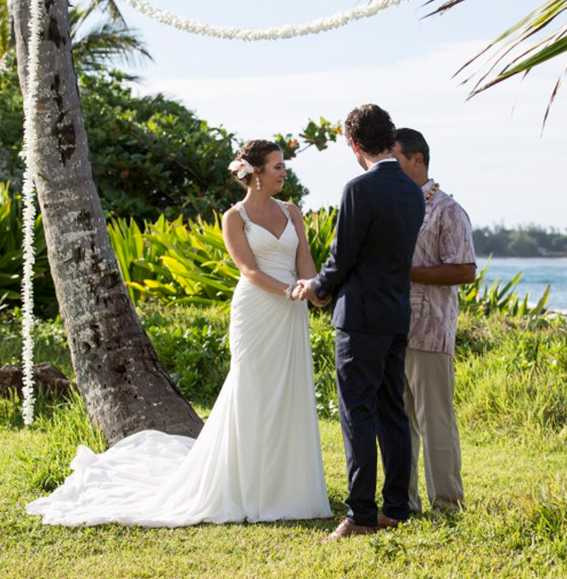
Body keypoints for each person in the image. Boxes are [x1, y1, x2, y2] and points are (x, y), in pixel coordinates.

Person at [26, 140, 332, 527]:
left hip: (291, 312)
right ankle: (247, 486)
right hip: (258, 309)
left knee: (289, 389)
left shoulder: (292, 212)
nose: (283, 172)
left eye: (282, 165)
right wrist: (289, 290)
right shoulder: (235, 218)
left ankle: (288, 488)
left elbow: (303, 257)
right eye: (276, 166)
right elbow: (250, 271)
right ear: (254, 173)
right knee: (253, 388)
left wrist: (313, 289)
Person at [295, 105, 425, 542]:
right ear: (389, 139)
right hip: (396, 314)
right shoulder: (412, 191)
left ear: (354, 145)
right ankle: (396, 509)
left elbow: (342, 257)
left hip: (360, 318)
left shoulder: (358, 188)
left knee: (357, 415)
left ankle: (361, 514)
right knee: (393, 412)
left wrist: (316, 287)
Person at [392, 128, 476, 512]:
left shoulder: (447, 210)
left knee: (435, 420)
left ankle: (447, 503)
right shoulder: (394, 205)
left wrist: (405, 272)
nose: (389, 168)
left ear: (417, 159)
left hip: (429, 330)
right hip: (393, 328)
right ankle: (404, 502)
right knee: (399, 421)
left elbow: (464, 270)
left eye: (395, 160)